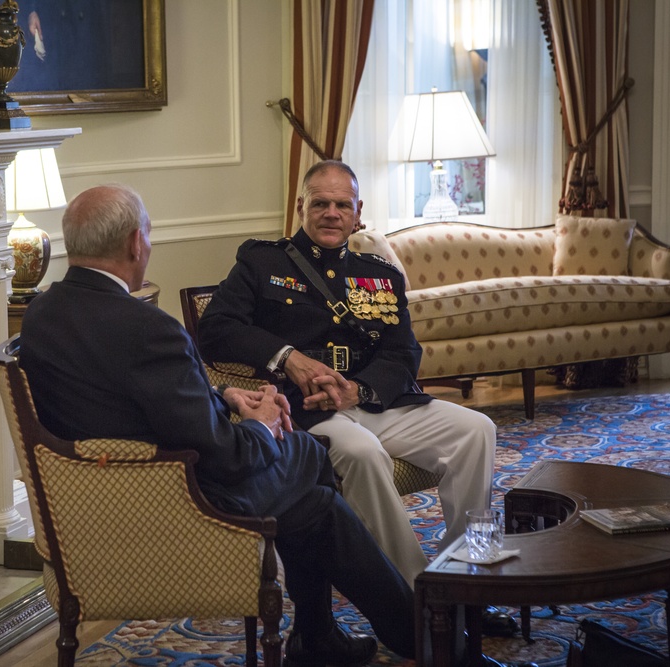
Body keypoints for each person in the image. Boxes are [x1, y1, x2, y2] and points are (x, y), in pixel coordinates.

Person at [17, 183, 416, 665]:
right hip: (180, 499)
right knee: (310, 459)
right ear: (134, 244)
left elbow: (119, 397)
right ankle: (396, 637)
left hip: (98, 499)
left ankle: (323, 637)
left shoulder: (41, 313)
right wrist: (265, 423)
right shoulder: (148, 327)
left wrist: (220, 394)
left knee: (315, 505)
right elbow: (227, 457)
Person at [196, 160, 499, 592]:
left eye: (342, 204)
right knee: (363, 452)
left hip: (373, 400)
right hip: (309, 408)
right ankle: (414, 591)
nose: (331, 213)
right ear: (301, 207)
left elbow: (403, 351)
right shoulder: (262, 262)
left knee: (477, 429)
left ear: (358, 210)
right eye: (320, 203)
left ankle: (465, 579)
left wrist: (360, 389)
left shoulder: (380, 275)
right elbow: (216, 328)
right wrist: (287, 357)